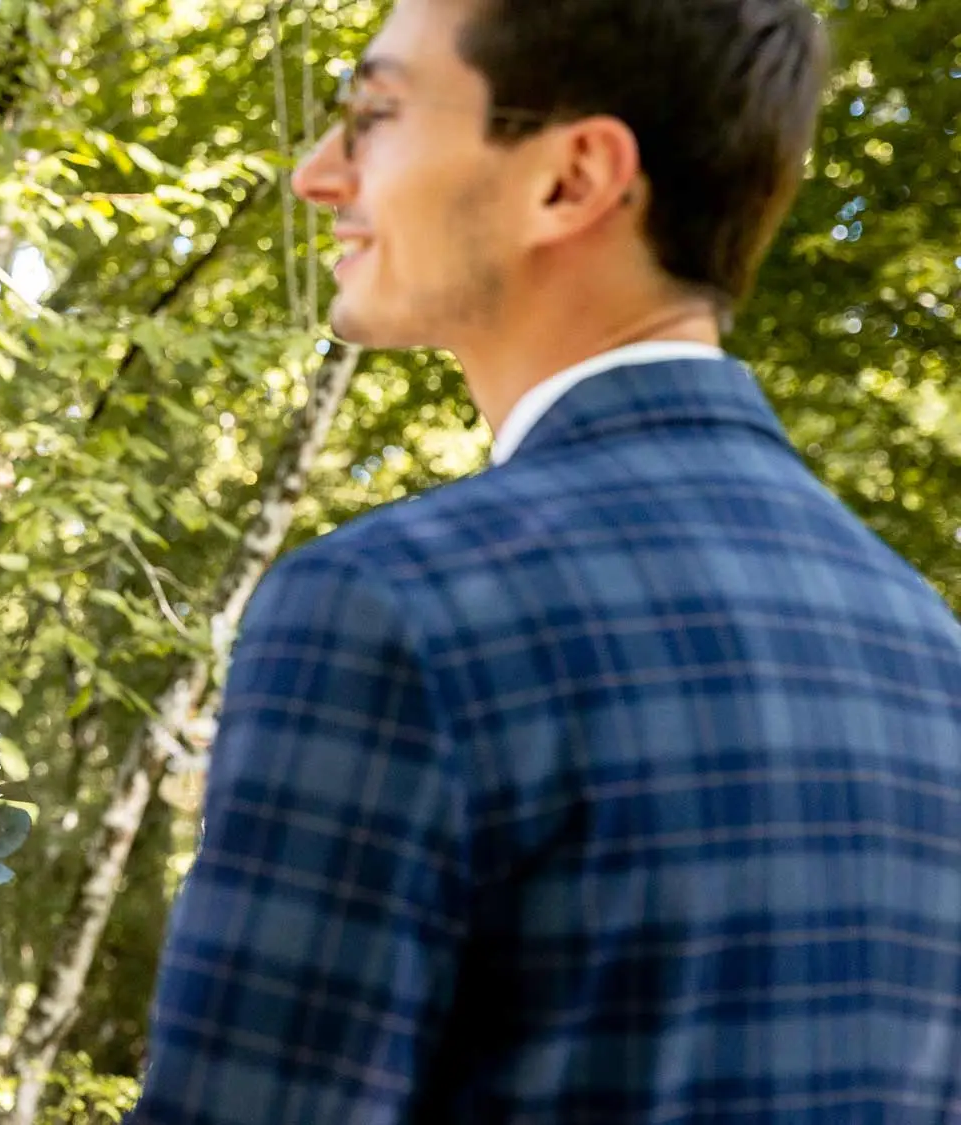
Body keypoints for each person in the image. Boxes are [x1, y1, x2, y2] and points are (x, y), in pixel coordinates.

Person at [137, 0, 961, 1121]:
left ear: (569, 178)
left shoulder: (385, 612)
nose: (316, 174)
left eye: (372, 114)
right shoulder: (925, 642)